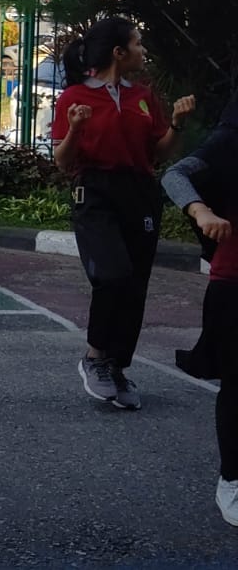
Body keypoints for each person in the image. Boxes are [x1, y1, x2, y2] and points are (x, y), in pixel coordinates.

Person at [52, 17, 194, 411]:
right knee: (112, 274)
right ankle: (95, 356)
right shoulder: (74, 97)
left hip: (139, 193)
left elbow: (159, 152)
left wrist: (177, 125)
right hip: (95, 192)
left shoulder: (144, 96)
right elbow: (63, 161)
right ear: (119, 52)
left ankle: (117, 367)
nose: (142, 50)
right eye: (137, 43)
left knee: (134, 284)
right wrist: (76, 128)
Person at [162, 91, 238, 525]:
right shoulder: (230, 139)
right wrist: (201, 211)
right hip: (234, 282)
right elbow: (175, 175)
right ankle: (232, 479)